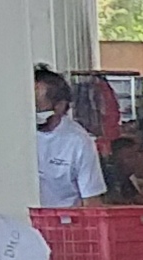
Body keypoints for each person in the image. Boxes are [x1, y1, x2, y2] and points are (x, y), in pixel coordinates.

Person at [32, 67, 105, 206]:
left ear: (59, 106)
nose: (33, 111)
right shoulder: (16, 134)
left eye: (38, 106)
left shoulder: (79, 142)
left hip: (63, 222)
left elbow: (91, 199)